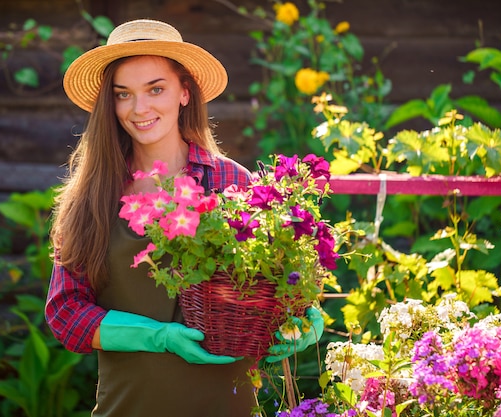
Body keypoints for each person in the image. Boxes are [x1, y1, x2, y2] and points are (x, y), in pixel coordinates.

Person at [45, 19, 323, 417]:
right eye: (124, 94)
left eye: (155, 89)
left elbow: (279, 291)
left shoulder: (232, 181)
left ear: (185, 92)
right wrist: (160, 337)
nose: (139, 109)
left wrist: (302, 322)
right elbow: (65, 313)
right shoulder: (91, 195)